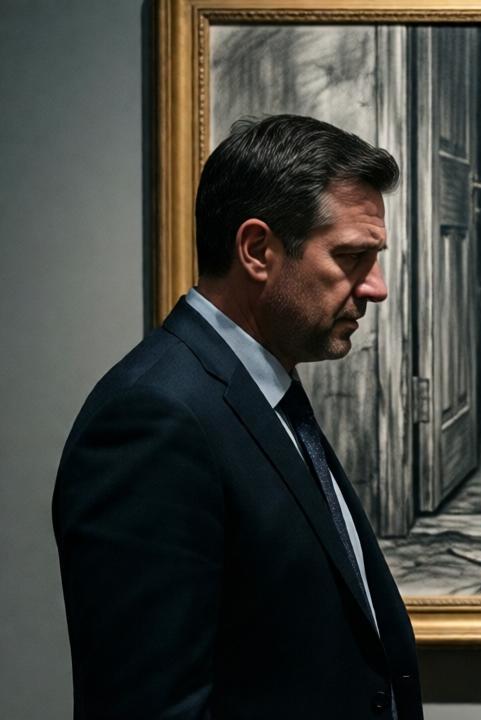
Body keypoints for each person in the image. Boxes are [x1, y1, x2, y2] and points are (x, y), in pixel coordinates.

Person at [52, 115, 422, 719]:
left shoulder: (264, 392)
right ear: (256, 251)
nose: (375, 288)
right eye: (352, 257)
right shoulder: (152, 419)